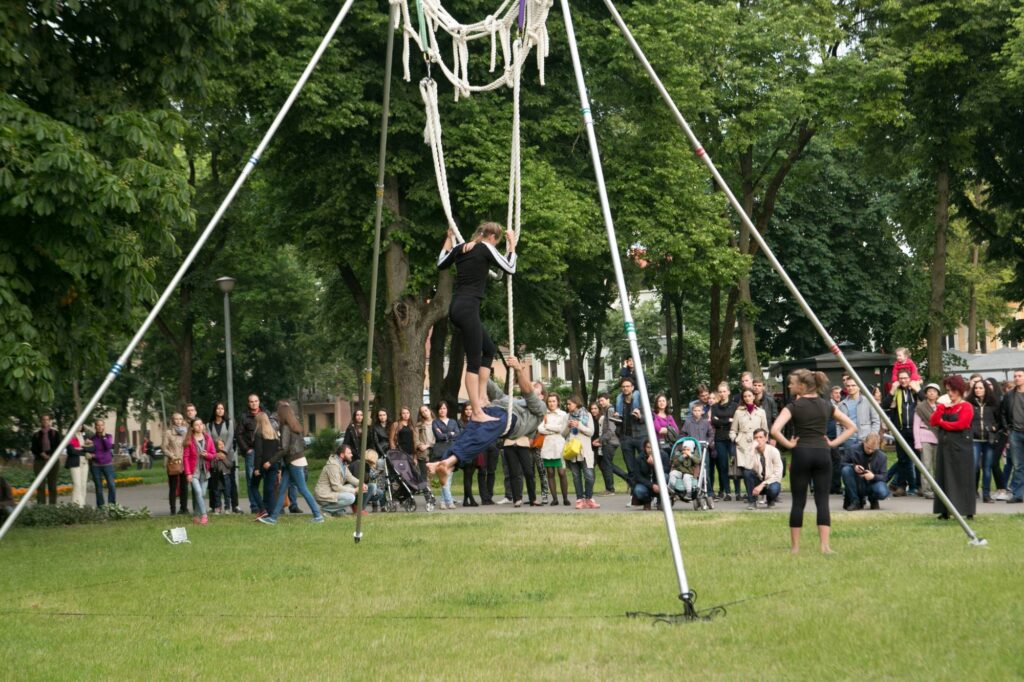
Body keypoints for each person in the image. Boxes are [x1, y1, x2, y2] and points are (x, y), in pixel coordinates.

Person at [426, 357, 546, 500]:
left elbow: (528, 392)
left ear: (542, 395)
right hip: (492, 410)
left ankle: (448, 463)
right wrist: (478, 368)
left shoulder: (540, 408)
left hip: (509, 419)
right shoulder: (512, 399)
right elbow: (494, 389)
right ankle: (445, 464)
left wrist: (519, 370)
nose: (529, 387)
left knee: (481, 437)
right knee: (467, 434)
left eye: (534, 387)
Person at [437, 221, 517, 424]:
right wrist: (513, 245)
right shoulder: (485, 247)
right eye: (497, 242)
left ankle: (481, 397)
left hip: (457, 308)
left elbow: (441, 263)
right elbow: (510, 267)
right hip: (468, 308)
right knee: (473, 363)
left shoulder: (460, 248)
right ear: (493, 237)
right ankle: (477, 411)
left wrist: (449, 238)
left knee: (489, 349)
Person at [771, 369, 855, 554]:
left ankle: (795, 548)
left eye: (792, 383)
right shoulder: (827, 405)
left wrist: (789, 445)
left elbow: (775, 430)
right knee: (822, 501)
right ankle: (825, 547)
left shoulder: (793, 406)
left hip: (801, 454)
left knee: (798, 502)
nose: (790, 386)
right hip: (822, 454)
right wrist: (832, 443)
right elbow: (852, 427)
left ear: (802, 386)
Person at [260, 401, 324, 524]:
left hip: (293, 461)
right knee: (283, 489)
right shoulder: (296, 426)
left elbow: (284, 449)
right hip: (296, 460)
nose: (277, 415)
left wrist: (270, 461)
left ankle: (318, 515)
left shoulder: (285, 427)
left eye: (279, 413)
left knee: (303, 489)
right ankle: (273, 518)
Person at [931, 376, 976, 519]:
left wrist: (943, 423)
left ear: (960, 390)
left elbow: (961, 425)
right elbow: (933, 421)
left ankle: (966, 510)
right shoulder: (945, 406)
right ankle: (944, 510)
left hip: (961, 446)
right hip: (945, 446)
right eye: (949, 390)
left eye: (953, 390)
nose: (950, 394)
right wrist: (940, 408)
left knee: (962, 478)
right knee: (943, 477)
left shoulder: (966, 406)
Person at [882, 369, 920, 496]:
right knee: (903, 460)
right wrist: (892, 390)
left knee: (918, 459)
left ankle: (919, 486)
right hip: (901, 430)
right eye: (901, 378)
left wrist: (918, 389)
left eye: (906, 378)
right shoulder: (896, 392)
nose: (903, 381)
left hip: (915, 430)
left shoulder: (915, 390)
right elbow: (885, 405)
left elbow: (926, 400)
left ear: (910, 379)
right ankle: (901, 486)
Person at [731, 388, 768, 510]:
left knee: (758, 472)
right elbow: (733, 430)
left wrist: (762, 443)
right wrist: (735, 439)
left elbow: (765, 429)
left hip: (757, 445)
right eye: (745, 396)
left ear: (754, 396)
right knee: (746, 473)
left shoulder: (761, 412)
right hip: (743, 447)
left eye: (749, 395)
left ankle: (760, 494)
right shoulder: (738, 412)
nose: (747, 398)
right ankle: (751, 500)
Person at [969, 379, 1003, 503]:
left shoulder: (994, 403)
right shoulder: (969, 403)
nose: (978, 390)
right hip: (974, 439)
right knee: (974, 467)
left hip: (989, 439)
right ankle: (972, 492)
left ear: (986, 390)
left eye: (981, 388)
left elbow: (1000, 419)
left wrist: (995, 427)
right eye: (976, 388)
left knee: (987, 468)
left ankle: (986, 494)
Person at [839, 432, 889, 511]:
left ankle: (873, 499)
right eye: (868, 447)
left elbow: (885, 477)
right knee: (846, 470)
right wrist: (854, 466)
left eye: (873, 449)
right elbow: (841, 464)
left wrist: (873, 476)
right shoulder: (853, 449)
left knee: (882, 492)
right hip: (857, 482)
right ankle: (855, 501)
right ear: (864, 442)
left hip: (872, 483)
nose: (870, 450)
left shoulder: (882, 456)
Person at [613, 377, 646, 496]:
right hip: (626, 438)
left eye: (627, 386)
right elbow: (619, 422)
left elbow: (649, 417)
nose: (625, 388)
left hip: (641, 436)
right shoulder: (619, 402)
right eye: (623, 387)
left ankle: (646, 491)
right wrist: (616, 418)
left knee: (644, 464)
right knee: (630, 467)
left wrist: (640, 417)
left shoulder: (641, 401)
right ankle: (635, 495)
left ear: (632, 388)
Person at [564, 395, 598, 509]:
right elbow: (562, 434)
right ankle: (579, 499)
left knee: (589, 476)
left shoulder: (587, 415)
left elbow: (591, 432)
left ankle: (588, 498)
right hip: (572, 451)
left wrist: (579, 425)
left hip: (584, 451)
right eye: (567, 404)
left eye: (570, 404)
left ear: (576, 403)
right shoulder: (567, 416)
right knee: (576, 476)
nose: (567, 406)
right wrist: (568, 427)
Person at [538, 393, 570, 506]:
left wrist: (548, 427)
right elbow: (540, 428)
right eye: (550, 401)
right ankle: (555, 499)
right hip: (547, 446)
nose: (551, 403)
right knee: (550, 473)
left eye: (553, 401)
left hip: (560, 445)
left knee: (562, 472)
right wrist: (553, 430)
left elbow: (562, 429)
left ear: (558, 402)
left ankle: (565, 498)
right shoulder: (544, 414)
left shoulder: (563, 414)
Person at [235, 394, 265, 514]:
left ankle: (266, 504)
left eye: (256, 401)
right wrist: (246, 449)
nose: (254, 403)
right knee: (251, 480)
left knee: (267, 478)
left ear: (259, 402)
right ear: (248, 403)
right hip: (251, 451)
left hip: (264, 451)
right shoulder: (244, 417)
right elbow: (239, 434)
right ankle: (254, 506)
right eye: (251, 401)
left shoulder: (265, 414)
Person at [314, 445, 363, 516]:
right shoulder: (333, 465)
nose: (351, 455)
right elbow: (336, 487)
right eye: (349, 453)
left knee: (351, 486)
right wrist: (354, 490)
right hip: (323, 495)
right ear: (342, 455)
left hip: (332, 492)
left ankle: (336, 511)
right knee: (351, 498)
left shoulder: (342, 464)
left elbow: (350, 477)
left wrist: (361, 484)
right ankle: (324, 510)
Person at [183, 418, 216, 525]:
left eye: (201, 424)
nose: (199, 426)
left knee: (202, 494)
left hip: (205, 472)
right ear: (192, 427)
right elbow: (186, 457)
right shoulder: (189, 440)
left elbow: (213, 454)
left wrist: (207, 455)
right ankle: (204, 515)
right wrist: (188, 473)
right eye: (196, 425)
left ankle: (196, 515)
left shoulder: (208, 438)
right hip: (193, 472)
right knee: (198, 492)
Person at [1000, 368, 1024, 504]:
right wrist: (1008, 429)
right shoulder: (1009, 396)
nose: (1017, 378)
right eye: (1015, 376)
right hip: (1015, 433)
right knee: (1018, 465)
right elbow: (1003, 413)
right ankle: (1017, 494)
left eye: (1020, 376)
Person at [595, 393, 628, 495]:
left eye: (602, 400)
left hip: (611, 441)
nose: (601, 403)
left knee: (607, 464)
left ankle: (610, 489)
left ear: (608, 400)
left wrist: (600, 440)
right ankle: (628, 478)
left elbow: (611, 429)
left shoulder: (610, 410)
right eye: (599, 401)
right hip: (609, 441)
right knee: (606, 464)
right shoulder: (606, 411)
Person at [710, 382, 737, 501]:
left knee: (734, 464)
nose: (722, 394)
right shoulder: (715, 407)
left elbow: (736, 421)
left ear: (729, 392)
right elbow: (714, 422)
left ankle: (738, 492)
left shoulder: (735, 405)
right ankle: (727, 492)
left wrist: (721, 420)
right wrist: (728, 420)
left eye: (724, 391)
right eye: (720, 392)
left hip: (732, 438)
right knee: (723, 465)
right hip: (719, 438)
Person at [913, 383, 941, 500]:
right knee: (926, 465)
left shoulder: (941, 407)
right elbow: (916, 426)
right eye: (929, 391)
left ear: (938, 394)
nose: (931, 393)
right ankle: (927, 491)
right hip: (924, 437)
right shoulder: (920, 407)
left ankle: (938, 489)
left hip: (938, 438)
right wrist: (917, 442)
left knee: (937, 466)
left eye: (934, 391)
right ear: (925, 393)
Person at [208, 402, 237, 514]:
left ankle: (231, 506)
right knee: (215, 484)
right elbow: (210, 440)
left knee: (229, 483)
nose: (220, 410)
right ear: (215, 410)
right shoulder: (209, 425)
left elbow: (230, 437)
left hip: (228, 456)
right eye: (218, 408)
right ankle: (216, 506)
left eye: (222, 408)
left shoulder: (229, 423)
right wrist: (216, 453)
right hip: (214, 457)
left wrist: (224, 452)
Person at [252, 411, 281, 520]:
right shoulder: (273, 433)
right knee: (270, 489)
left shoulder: (259, 433)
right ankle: (271, 513)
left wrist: (256, 468)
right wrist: (277, 467)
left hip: (262, 464)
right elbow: (277, 451)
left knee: (253, 486)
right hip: (272, 464)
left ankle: (262, 508)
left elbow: (258, 452)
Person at [748, 429, 783, 508]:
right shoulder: (752, 451)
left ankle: (770, 500)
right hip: (758, 480)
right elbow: (747, 467)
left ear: (766, 438)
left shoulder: (774, 451)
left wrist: (762, 485)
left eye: (761, 437)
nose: (758, 440)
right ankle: (752, 502)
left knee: (773, 489)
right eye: (756, 437)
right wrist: (752, 450)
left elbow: (778, 473)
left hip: (771, 481)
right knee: (747, 473)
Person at [30, 414, 61, 505]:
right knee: (40, 485)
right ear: (41, 421)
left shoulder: (55, 433)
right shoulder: (36, 434)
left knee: (52, 485)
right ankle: (41, 506)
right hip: (39, 461)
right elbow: (33, 447)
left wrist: (51, 455)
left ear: (50, 421)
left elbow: (58, 446)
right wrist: (41, 453)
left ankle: (52, 506)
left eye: (47, 420)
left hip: (53, 461)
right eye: (43, 420)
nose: (45, 421)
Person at [164, 413, 189, 515]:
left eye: (180, 419)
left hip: (184, 462)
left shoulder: (186, 432)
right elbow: (164, 447)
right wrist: (172, 456)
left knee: (184, 486)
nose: (179, 421)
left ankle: (184, 508)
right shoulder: (168, 433)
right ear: (173, 420)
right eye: (176, 419)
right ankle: (173, 509)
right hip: (173, 462)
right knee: (173, 487)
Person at [88, 419, 116, 507]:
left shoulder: (108, 436)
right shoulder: (92, 439)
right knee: (98, 488)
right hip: (96, 466)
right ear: (95, 427)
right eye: (98, 425)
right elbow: (91, 451)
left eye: (102, 425)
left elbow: (108, 447)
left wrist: (103, 437)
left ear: (104, 426)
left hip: (107, 465)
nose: (100, 427)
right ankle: (101, 507)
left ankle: (112, 506)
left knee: (111, 486)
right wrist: (94, 455)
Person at [631, 440, 659, 510]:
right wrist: (651, 485)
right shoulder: (639, 458)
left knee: (666, 477)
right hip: (646, 484)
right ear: (644, 448)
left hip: (659, 484)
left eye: (652, 447)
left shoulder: (662, 455)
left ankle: (660, 501)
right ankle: (647, 502)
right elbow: (638, 477)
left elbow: (666, 471)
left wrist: (654, 465)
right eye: (648, 447)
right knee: (638, 490)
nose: (650, 450)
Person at [414, 405, 435, 483]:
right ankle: (427, 493)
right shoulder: (419, 425)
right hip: (423, 453)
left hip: (434, 451)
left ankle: (432, 492)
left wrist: (428, 445)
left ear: (429, 410)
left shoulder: (437, 423)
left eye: (426, 410)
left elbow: (439, 438)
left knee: (431, 474)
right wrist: (420, 446)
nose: (424, 413)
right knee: (424, 474)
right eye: (422, 412)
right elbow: (416, 439)